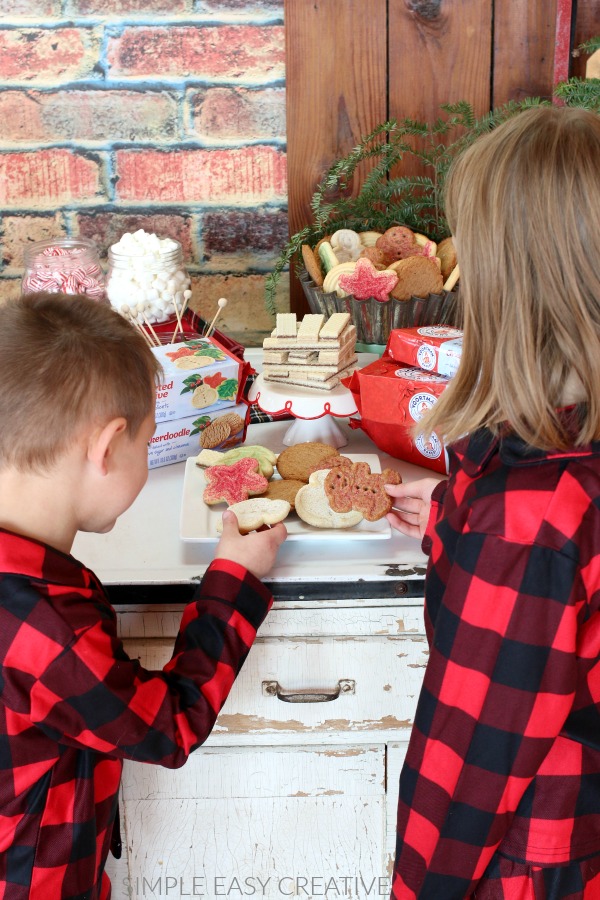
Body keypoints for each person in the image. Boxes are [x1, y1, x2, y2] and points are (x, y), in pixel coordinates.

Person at [0, 292, 287, 899]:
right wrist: (234, 579)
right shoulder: (48, 625)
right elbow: (170, 726)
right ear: (107, 447)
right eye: (149, 443)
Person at [384, 106, 600, 898]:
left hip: (534, 863)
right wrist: (452, 513)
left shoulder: (527, 520)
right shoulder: (548, 485)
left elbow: (470, 769)